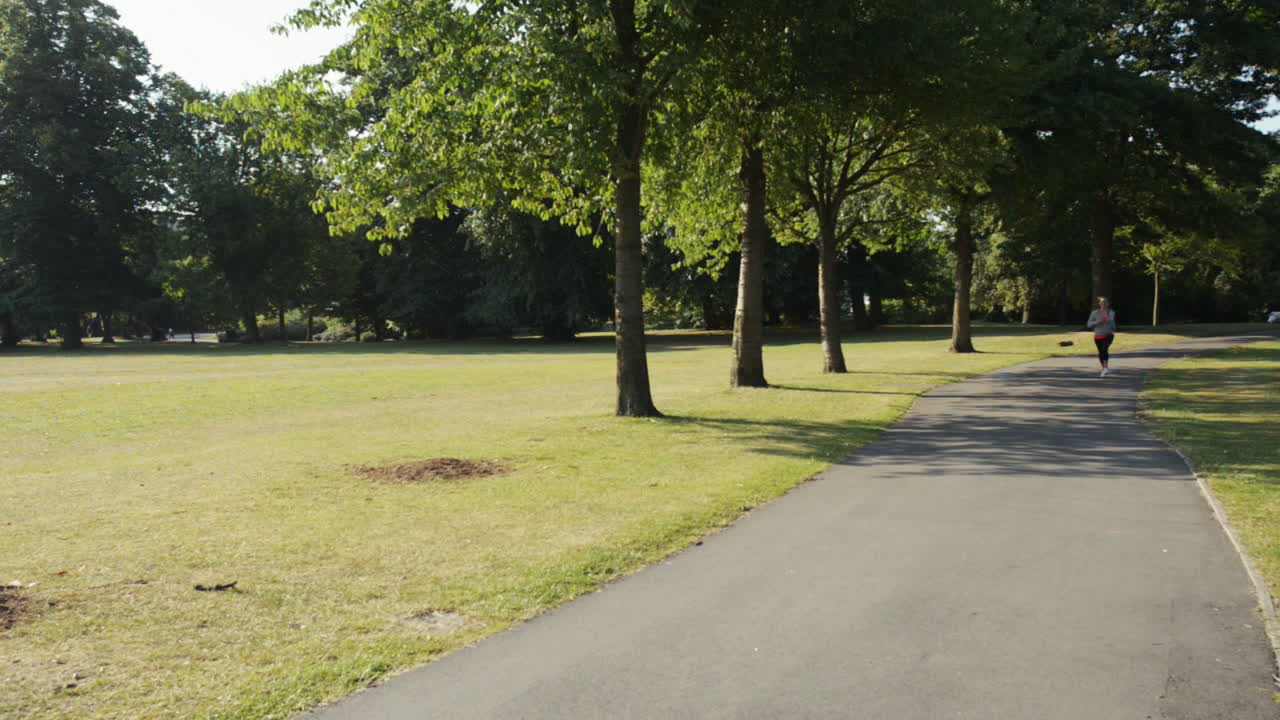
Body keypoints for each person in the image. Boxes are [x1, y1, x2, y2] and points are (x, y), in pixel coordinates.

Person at [1086, 297, 1117, 377]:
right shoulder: (1095, 313)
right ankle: (1104, 369)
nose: (1103, 304)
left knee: (1104, 349)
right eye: (1102, 303)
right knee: (1101, 353)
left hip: (1108, 335)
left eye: (1105, 303)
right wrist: (1097, 322)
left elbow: (1112, 322)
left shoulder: (1111, 312)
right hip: (1098, 336)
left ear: (1108, 304)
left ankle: (1105, 368)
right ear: (1099, 304)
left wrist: (1109, 322)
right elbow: (1088, 324)